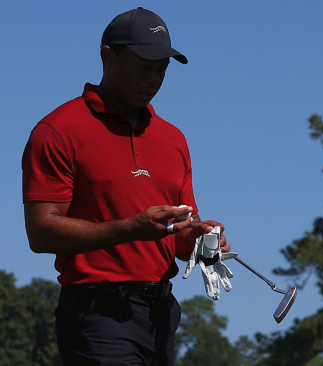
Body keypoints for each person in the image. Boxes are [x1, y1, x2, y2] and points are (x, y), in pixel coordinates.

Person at [22, 7, 230, 365]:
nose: (154, 79)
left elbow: (178, 236)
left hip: (161, 314)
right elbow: (41, 232)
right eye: (144, 68)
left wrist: (199, 239)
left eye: (161, 70)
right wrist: (130, 228)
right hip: (97, 313)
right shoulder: (58, 130)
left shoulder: (173, 139)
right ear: (108, 57)